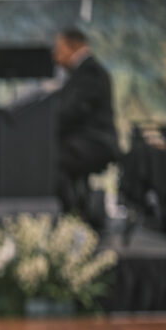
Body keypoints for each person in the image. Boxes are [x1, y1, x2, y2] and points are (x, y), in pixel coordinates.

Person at [51, 28, 120, 218]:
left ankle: (73, 215)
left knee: (51, 160)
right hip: (82, 141)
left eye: (59, 49)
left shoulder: (90, 72)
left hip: (96, 143)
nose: (55, 56)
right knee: (53, 154)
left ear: (73, 46)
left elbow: (72, 112)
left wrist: (45, 126)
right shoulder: (80, 73)